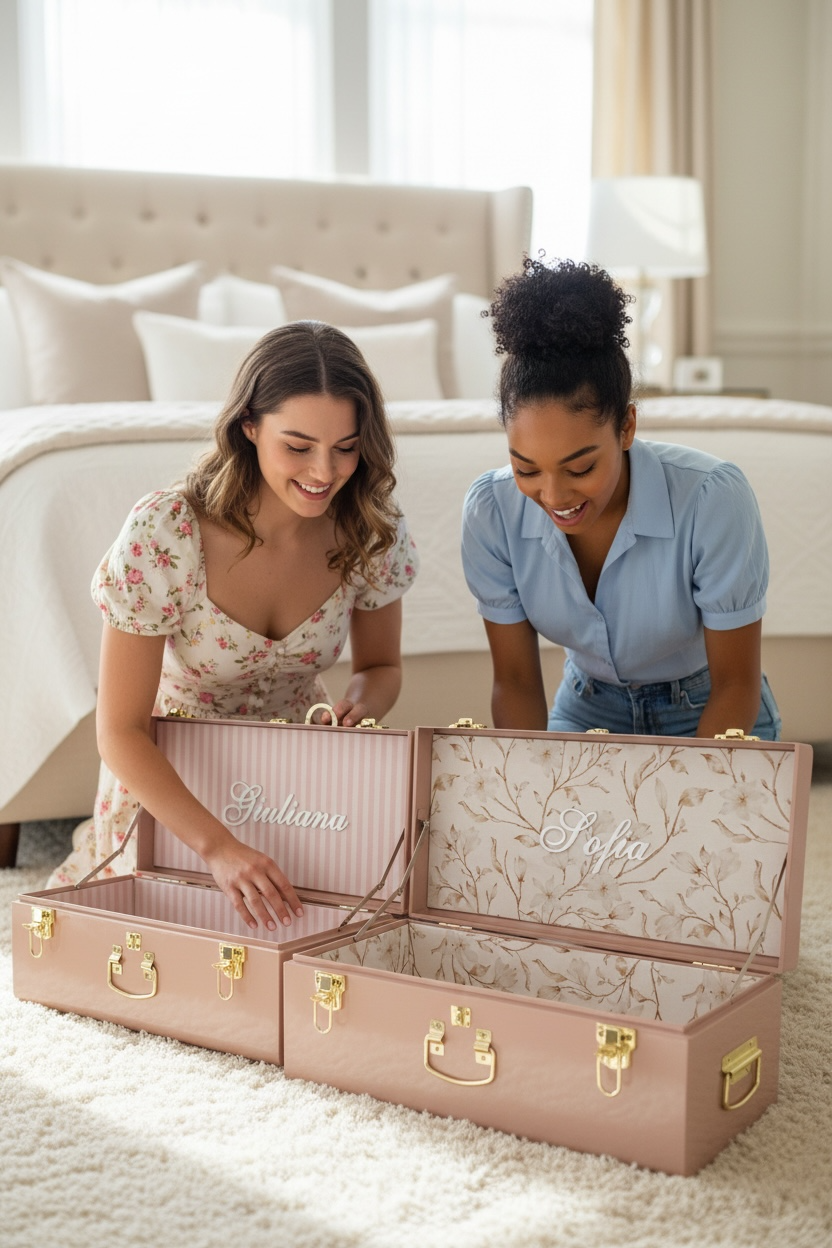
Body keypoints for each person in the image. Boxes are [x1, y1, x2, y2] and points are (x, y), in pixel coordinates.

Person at [49, 321, 419, 929]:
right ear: (249, 425)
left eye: (346, 447)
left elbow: (381, 669)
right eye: (297, 446)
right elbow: (118, 731)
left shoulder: (369, 526)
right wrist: (219, 849)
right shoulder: (166, 532)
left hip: (297, 789)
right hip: (173, 790)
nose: (324, 472)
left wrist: (360, 708)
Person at [461, 257, 781, 741]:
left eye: (581, 467)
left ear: (627, 426)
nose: (553, 495)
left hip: (711, 709)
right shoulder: (491, 511)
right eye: (526, 468)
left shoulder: (712, 498)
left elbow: (736, 683)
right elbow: (516, 681)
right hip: (586, 708)